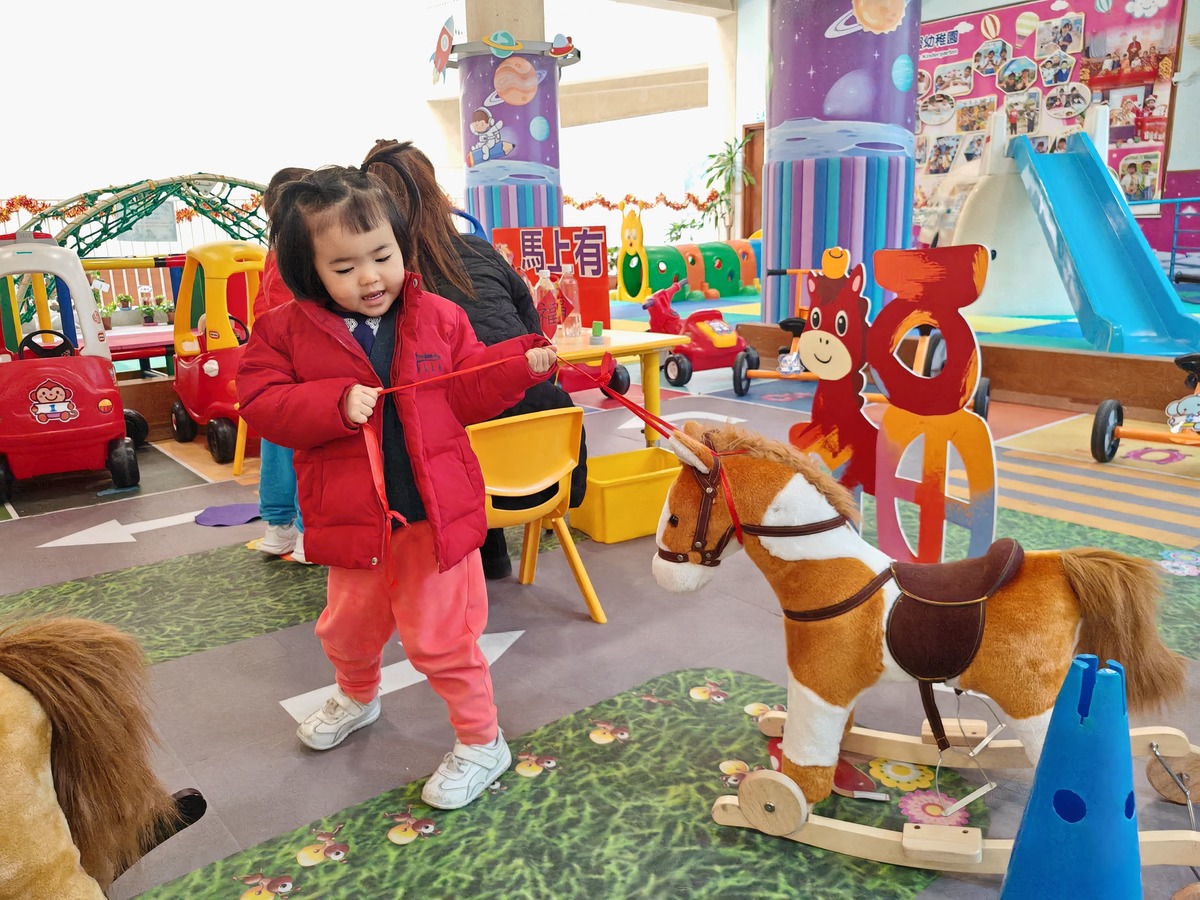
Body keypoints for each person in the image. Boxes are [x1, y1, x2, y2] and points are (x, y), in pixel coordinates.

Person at [236, 166, 557, 810]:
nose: (370, 277)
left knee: (443, 639)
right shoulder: (283, 330)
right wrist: (331, 403)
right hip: (353, 521)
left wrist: (517, 364)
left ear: (401, 246)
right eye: (344, 266)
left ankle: (482, 741)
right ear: (306, 270)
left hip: (432, 518)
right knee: (346, 631)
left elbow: (468, 388)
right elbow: (260, 401)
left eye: (382, 256)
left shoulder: (439, 316)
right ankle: (357, 696)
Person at [361, 139, 589, 580]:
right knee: (473, 402)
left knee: (441, 417)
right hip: (546, 457)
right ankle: (492, 557)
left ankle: (483, 557)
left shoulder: (389, 280)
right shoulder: (482, 251)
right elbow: (534, 338)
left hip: (463, 475)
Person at [251, 166, 313, 562]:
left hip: (272, 361)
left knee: (277, 443)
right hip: (304, 358)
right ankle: (309, 531)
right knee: (311, 445)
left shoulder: (274, 253)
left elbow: (264, 308)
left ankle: (278, 528)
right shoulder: (308, 248)